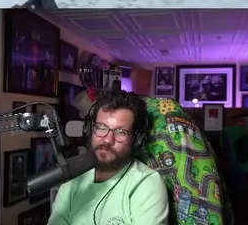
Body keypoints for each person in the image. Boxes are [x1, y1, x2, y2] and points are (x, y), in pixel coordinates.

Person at [48, 88, 169, 225]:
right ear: (89, 130)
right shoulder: (73, 177)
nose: (107, 140)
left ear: (136, 140)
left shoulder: (147, 184)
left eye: (121, 132)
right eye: (101, 127)